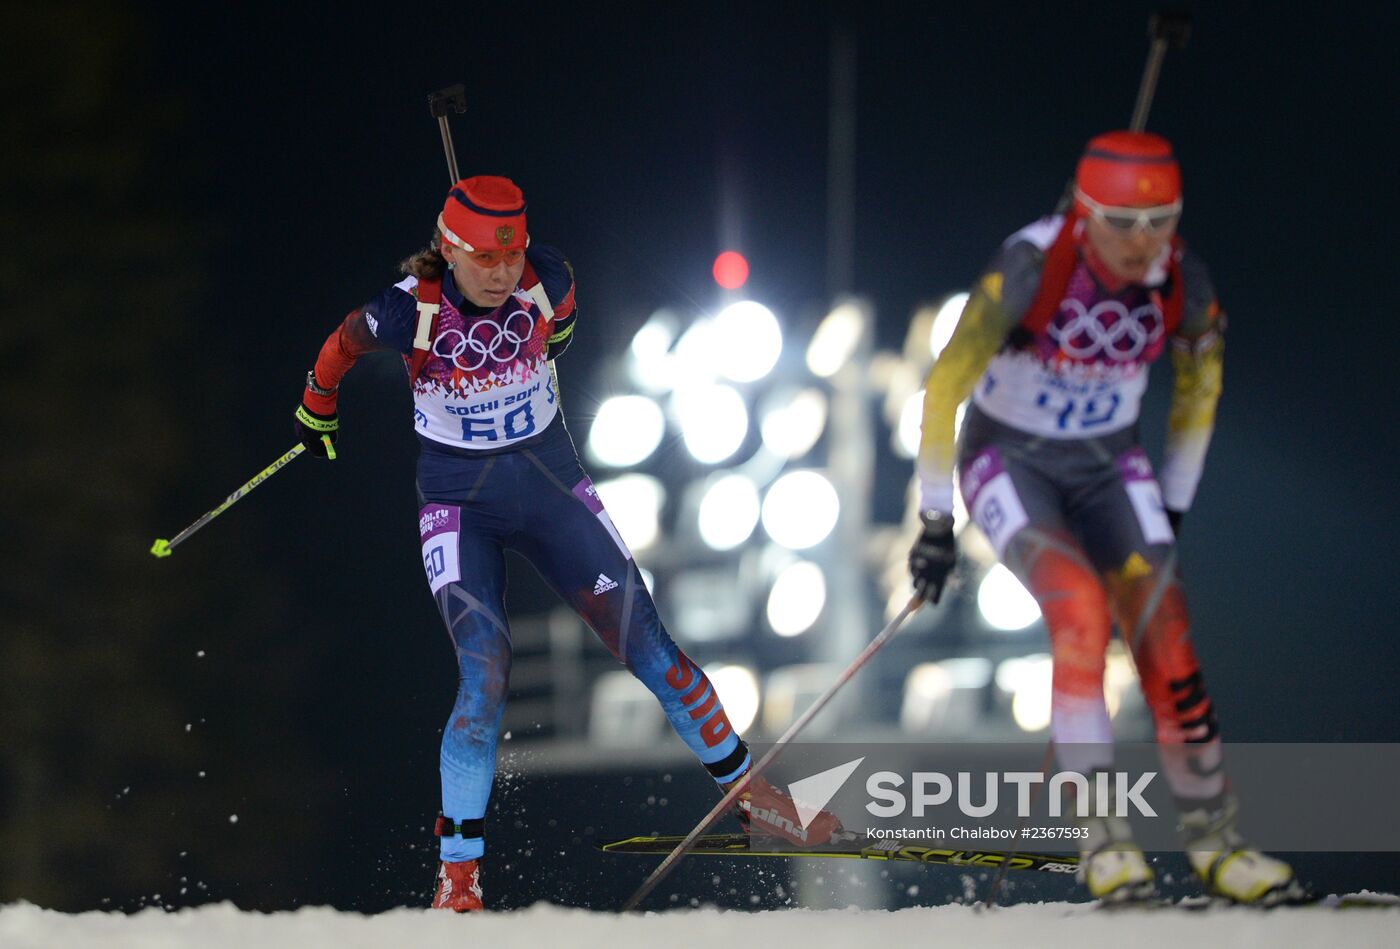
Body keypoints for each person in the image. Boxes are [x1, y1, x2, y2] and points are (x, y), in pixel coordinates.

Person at [293, 175, 838, 912]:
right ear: (448, 249)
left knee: (649, 645)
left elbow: (566, 323)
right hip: (461, 508)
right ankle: (458, 877)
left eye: (509, 257)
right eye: (483, 258)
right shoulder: (407, 310)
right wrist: (315, 408)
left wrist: (547, 326)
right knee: (485, 674)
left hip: (551, 491)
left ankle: (751, 796)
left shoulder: (548, 277)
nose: (500, 273)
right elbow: (340, 345)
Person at [907, 132, 1302, 905]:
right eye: (1122, 221)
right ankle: (1100, 836)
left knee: (1165, 625)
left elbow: (1198, 396)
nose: (1142, 240)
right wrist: (933, 519)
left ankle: (1217, 840)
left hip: (1106, 465)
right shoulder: (1030, 266)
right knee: (1080, 611)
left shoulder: (1182, 277)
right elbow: (944, 386)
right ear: (1084, 214)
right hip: (1011, 460)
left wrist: (1174, 505)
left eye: (1161, 220)